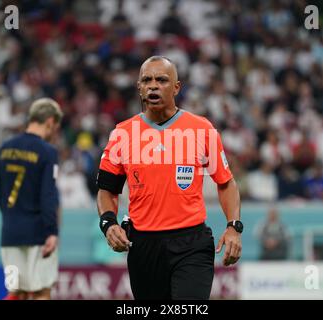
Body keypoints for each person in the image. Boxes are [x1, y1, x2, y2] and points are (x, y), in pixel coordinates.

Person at [96, 56, 243, 300]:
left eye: (161, 80)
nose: (153, 85)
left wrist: (233, 227)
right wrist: (109, 223)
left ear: (176, 87)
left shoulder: (202, 129)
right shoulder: (122, 133)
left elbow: (226, 182)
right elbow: (107, 190)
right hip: (143, 245)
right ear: (139, 87)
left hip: (191, 243)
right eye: (147, 80)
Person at [0, 98, 62, 300]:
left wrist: (10, 219)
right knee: (42, 290)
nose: (55, 132)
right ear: (50, 121)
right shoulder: (47, 152)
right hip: (38, 235)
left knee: (16, 291)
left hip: (9, 234)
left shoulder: (5, 148)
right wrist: (51, 231)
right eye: (56, 127)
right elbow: (48, 195)